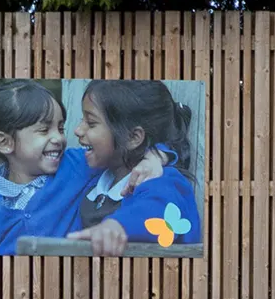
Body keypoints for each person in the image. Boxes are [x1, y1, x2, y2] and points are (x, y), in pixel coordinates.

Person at [0, 80, 165, 256]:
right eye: (44, 130)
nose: (59, 138)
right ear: (5, 142)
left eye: (60, 128)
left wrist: (156, 157)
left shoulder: (76, 165)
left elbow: (126, 148)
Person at [67, 80, 203, 256]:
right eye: (82, 120)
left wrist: (117, 226)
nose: (77, 130)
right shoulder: (94, 172)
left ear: (133, 138)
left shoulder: (163, 180)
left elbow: (158, 210)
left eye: (91, 123)